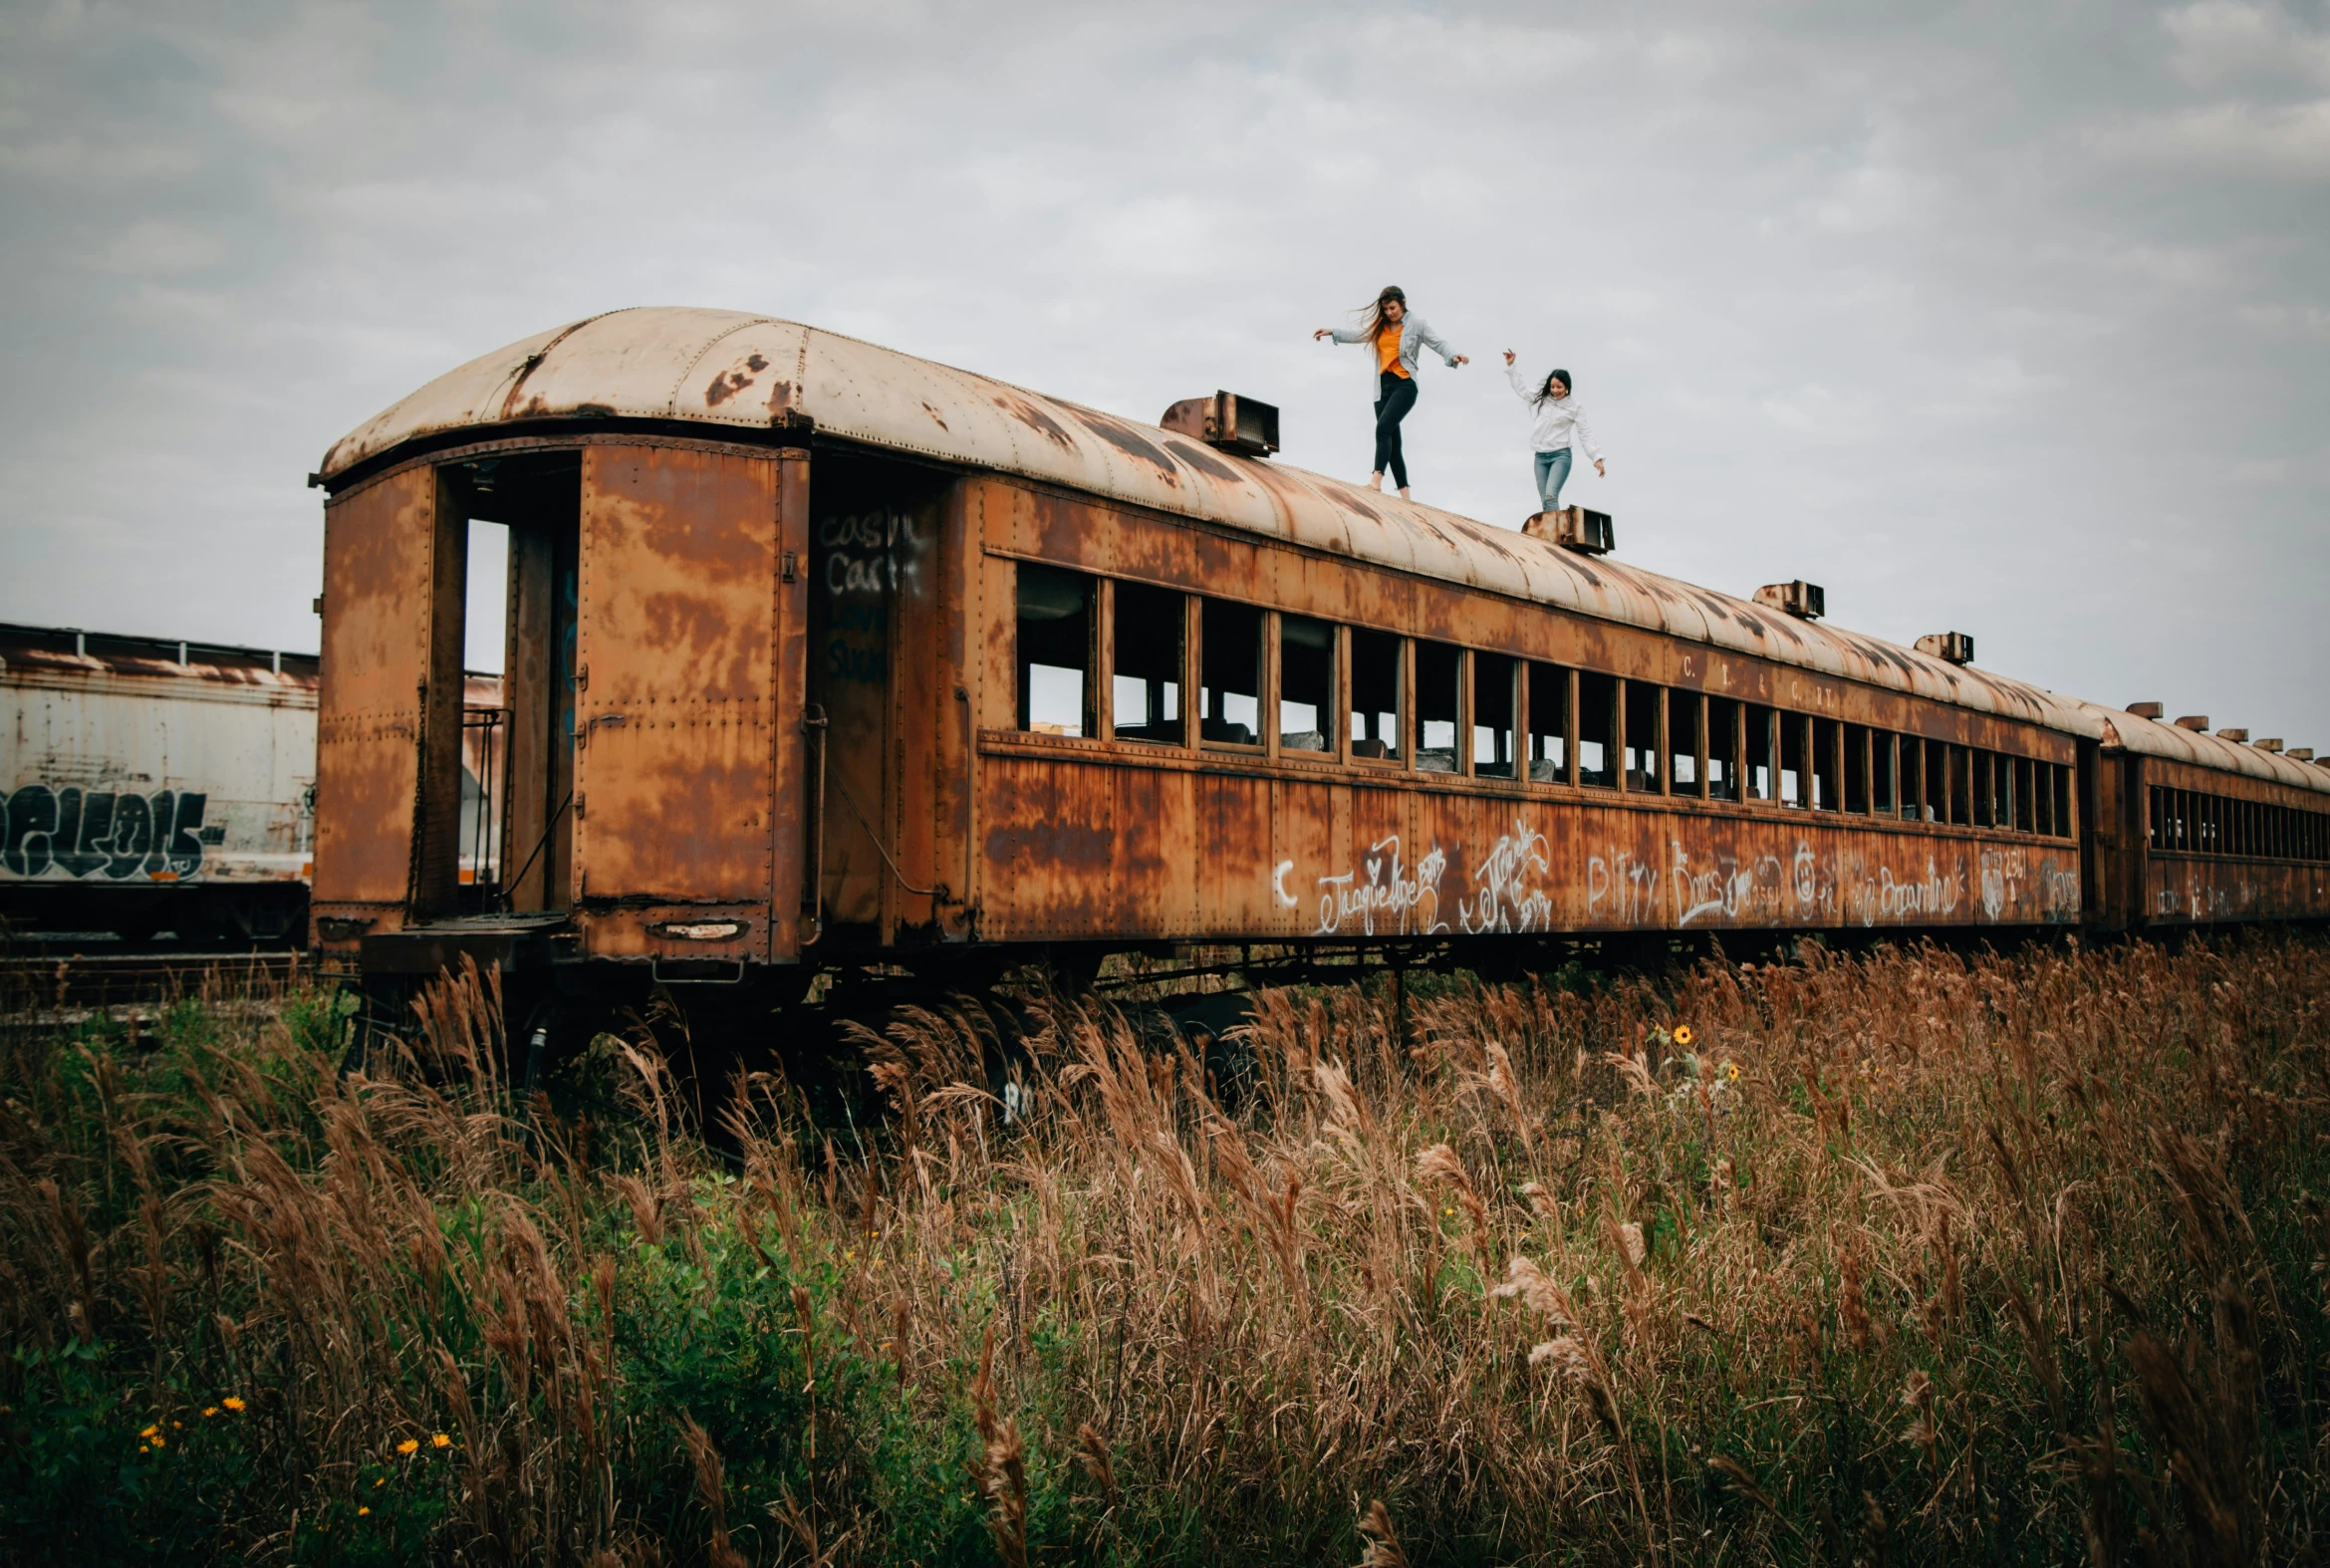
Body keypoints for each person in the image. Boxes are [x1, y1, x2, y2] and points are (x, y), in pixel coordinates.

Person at [1315, 286, 1467, 498]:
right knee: (1393, 444)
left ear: (1403, 302)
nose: (1389, 312)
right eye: (1386, 309)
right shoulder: (1381, 326)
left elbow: (1438, 343)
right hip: (1382, 389)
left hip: (1404, 385)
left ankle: (1376, 481)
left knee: (1382, 429)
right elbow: (1360, 335)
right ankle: (1406, 496)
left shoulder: (1417, 324)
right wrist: (1333, 331)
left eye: (1393, 307)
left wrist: (1454, 356)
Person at [1502, 352, 1605, 513]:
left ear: (1567, 388)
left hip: (1560, 456)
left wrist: (1596, 458)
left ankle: (1556, 537)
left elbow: (1585, 433)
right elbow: (1522, 389)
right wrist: (1511, 366)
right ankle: (1549, 534)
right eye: (1552, 386)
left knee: (1551, 496)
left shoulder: (1574, 407)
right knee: (1545, 502)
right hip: (1540, 457)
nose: (1555, 390)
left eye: (1559, 387)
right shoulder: (1542, 399)